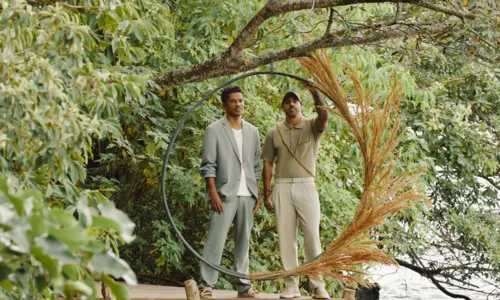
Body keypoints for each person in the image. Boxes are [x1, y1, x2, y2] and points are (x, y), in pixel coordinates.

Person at [261, 87, 330, 299]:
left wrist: (315, 91)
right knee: (286, 237)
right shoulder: (275, 131)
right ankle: (291, 285)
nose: (291, 104)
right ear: (282, 107)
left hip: (306, 185)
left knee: (311, 236)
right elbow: (268, 164)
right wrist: (267, 192)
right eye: (287, 102)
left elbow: (325, 114)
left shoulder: (312, 126)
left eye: (295, 101)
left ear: (301, 104)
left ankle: (317, 285)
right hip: (281, 186)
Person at [198, 86, 262, 299]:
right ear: (224, 105)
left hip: (247, 194)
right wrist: (213, 192)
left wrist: (257, 193)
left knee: (243, 242)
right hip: (224, 194)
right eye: (233, 101)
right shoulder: (214, 130)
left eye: (241, 100)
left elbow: (256, 165)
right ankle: (207, 285)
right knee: (215, 240)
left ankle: (243, 286)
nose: (238, 104)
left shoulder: (253, 131)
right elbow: (208, 165)